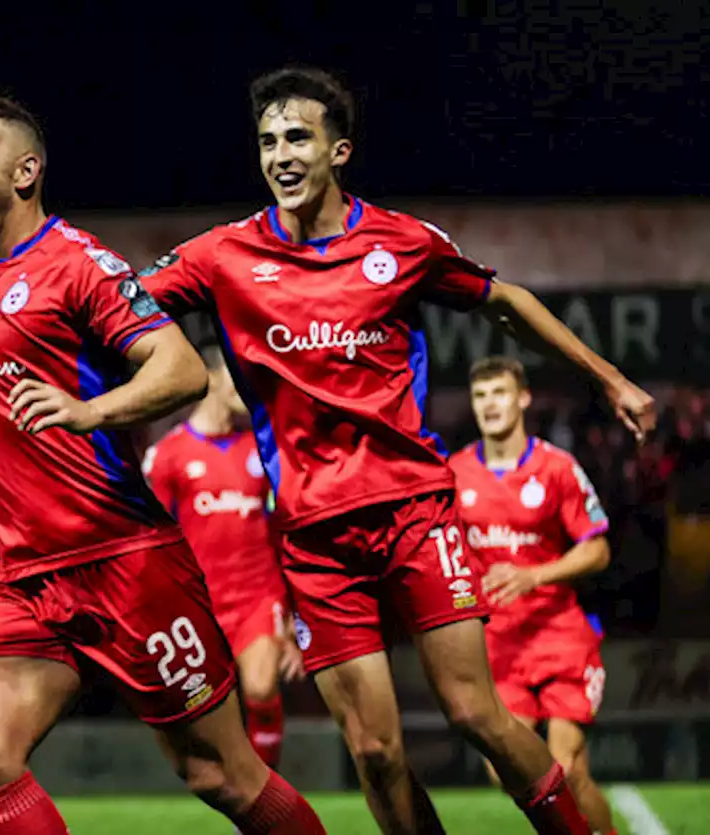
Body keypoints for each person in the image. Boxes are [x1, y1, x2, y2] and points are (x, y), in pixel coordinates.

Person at [136, 66, 655, 835]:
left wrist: (607, 378)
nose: (281, 154)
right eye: (268, 140)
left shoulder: (402, 242)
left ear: (338, 150)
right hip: (314, 535)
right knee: (375, 750)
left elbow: (506, 302)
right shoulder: (222, 256)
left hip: (415, 510)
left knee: (476, 713)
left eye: (298, 138)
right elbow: (117, 303)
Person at [0, 87, 326, 835]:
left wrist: (89, 408)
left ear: (25, 171)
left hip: (127, 562)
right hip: (26, 577)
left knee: (219, 773)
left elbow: (182, 370)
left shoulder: (78, 263)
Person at [450, 356, 616, 835]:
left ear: (522, 398)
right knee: (510, 773)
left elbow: (599, 549)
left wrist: (533, 576)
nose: (490, 405)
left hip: (560, 637)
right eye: (481, 396)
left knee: (567, 769)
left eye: (499, 393)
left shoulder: (557, 468)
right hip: (497, 646)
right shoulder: (454, 473)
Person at [142, 342, 305, 770]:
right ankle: (243, 794)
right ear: (212, 378)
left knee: (261, 687)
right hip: (201, 606)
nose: (247, 386)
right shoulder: (169, 456)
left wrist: (291, 616)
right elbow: (151, 542)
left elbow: (281, 534)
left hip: (258, 596)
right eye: (237, 375)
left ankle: (271, 799)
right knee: (211, 716)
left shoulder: (262, 451)